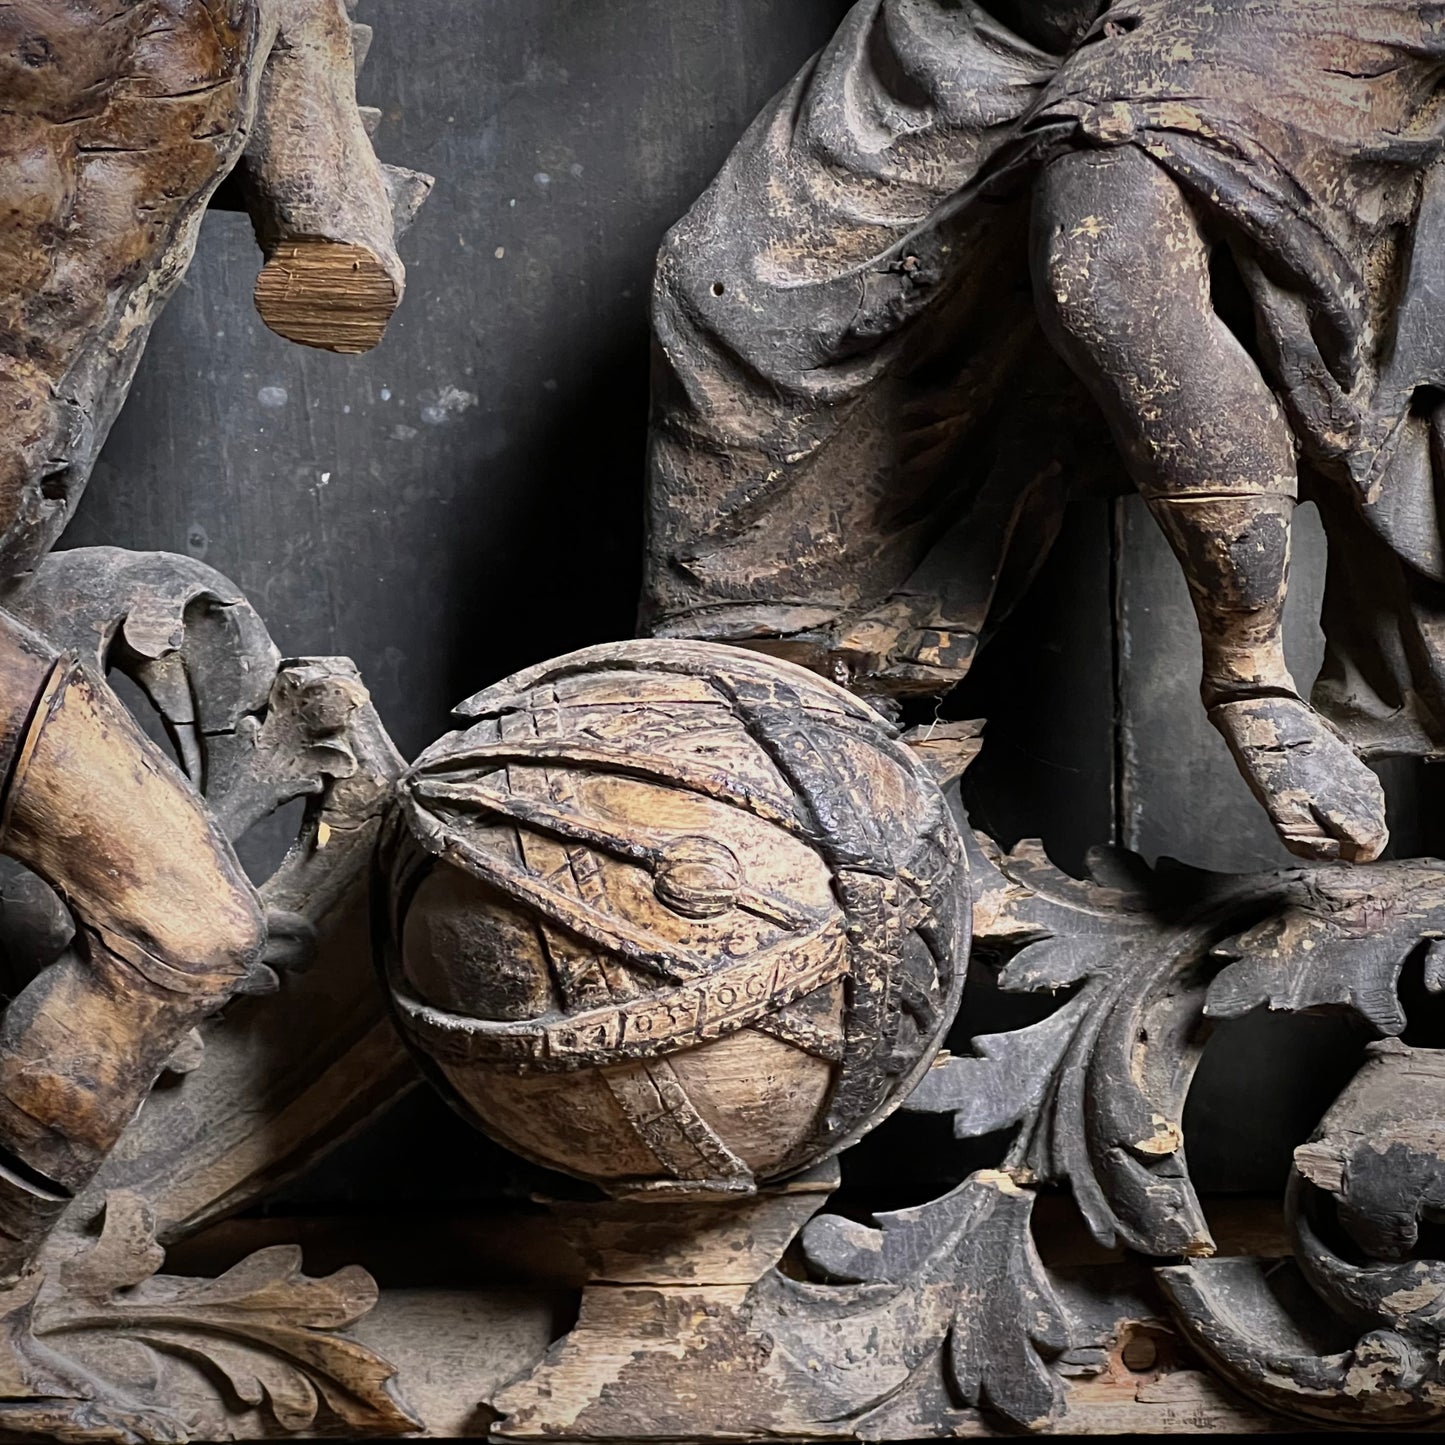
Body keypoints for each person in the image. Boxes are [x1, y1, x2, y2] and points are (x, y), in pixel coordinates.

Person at [645, 0, 1445, 863]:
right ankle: (775, 733)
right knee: (727, 292)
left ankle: (1250, 680)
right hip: (999, 17)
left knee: (1106, 234)